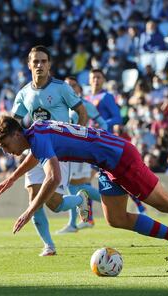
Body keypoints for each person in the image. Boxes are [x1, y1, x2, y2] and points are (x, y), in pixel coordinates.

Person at [0, 116, 168, 263]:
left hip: (119, 158)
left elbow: (53, 178)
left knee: (165, 202)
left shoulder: (38, 139)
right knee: (115, 218)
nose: (5, 150)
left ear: (16, 134)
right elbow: (36, 155)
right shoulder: (36, 130)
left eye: (5, 144)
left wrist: (29, 211)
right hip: (107, 163)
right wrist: (13, 178)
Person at [5, 45, 88, 256]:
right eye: (36, 62)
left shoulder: (61, 88)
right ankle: (49, 245)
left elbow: (80, 111)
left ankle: (80, 199)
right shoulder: (24, 93)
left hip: (60, 150)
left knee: (56, 204)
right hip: (37, 150)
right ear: (29, 65)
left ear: (49, 64)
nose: (39, 65)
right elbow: (14, 122)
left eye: (43, 61)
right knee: (33, 194)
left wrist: (78, 136)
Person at [86, 68, 147, 221]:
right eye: (93, 77)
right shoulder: (86, 99)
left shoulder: (106, 97)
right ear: (89, 80)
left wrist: (102, 124)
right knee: (87, 179)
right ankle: (88, 217)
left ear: (103, 80)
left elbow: (117, 118)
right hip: (90, 143)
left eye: (99, 77)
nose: (95, 80)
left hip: (103, 143)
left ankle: (89, 218)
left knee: (91, 179)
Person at [56, 76, 107, 234]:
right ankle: (74, 223)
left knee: (80, 184)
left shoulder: (85, 105)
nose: (70, 88)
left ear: (79, 89)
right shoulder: (62, 106)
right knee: (71, 185)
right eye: (67, 85)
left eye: (73, 85)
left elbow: (103, 124)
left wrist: (94, 139)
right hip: (67, 149)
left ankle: (112, 200)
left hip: (81, 148)